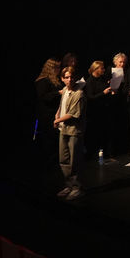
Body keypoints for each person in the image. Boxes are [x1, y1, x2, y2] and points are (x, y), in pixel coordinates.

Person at [54, 66, 86, 200]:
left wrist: (57, 120)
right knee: (64, 159)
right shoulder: (65, 90)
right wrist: (57, 115)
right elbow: (62, 106)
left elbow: (73, 114)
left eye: (71, 77)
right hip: (63, 129)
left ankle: (77, 187)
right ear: (62, 79)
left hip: (74, 130)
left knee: (74, 160)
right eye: (66, 77)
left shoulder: (79, 93)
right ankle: (69, 185)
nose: (69, 80)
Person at [83, 60, 113, 160]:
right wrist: (103, 93)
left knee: (105, 133)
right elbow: (90, 97)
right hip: (95, 112)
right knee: (96, 133)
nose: (104, 70)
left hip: (104, 110)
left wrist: (110, 92)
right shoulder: (89, 81)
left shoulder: (102, 79)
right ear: (95, 69)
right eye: (102, 68)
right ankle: (95, 154)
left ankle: (106, 153)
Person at [34, 58, 62, 160]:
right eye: (57, 67)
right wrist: (58, 93)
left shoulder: (55, 80)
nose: (59, 69)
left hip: (54, 112)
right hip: (46, 113)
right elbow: (43, 96)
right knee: (49, 137)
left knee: (55, 137)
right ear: (51, 68)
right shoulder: (42, 80)